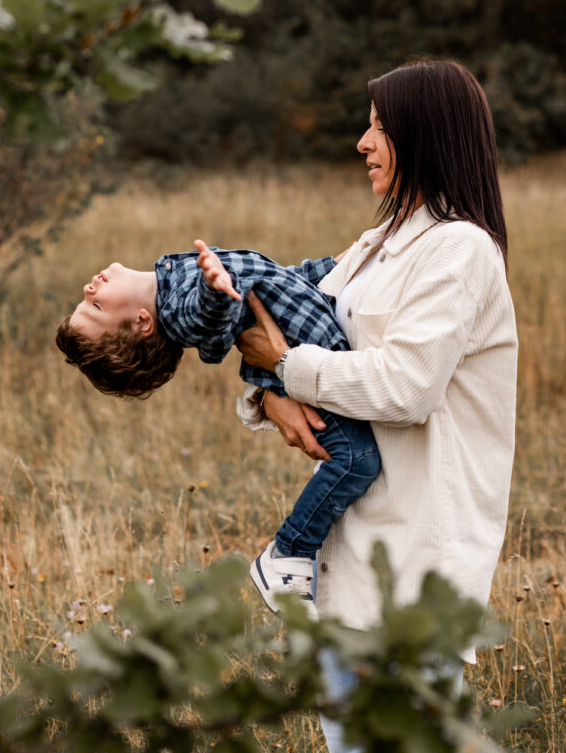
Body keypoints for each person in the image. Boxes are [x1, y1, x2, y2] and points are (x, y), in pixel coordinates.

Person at [235, 59, 518, 753]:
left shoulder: (459, 251)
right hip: (345, 561)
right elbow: (293, 323)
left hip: (412, 568)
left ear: (424, 134)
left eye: (380, 127)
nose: (363, 142)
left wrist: (286, 368)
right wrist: (270, 396)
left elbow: (405, 386)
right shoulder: (375, 246)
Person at [55, 241, 381, 616]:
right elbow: (207, 318)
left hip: (321, 358)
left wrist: (333, 265)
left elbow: (277, 283)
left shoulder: (173, 276)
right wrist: (214, 287)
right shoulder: (181, 309)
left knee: (359, 460)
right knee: (358, 460)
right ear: (144, 321)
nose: (88, 289)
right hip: (315, 378)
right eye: (96, 306)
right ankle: (290, 551)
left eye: (88, 301)